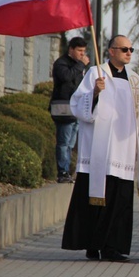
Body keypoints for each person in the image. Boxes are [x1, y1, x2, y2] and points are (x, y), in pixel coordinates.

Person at [61, 35, 139, 262]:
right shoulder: (96, 73)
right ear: (111, 51)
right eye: (124, 49)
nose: (129, 53)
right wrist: (93, 93)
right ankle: (92, 245)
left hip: (123, 149)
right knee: (93, 199)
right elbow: (77, 105)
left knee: (118, 203)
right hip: (99, 150)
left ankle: (112, 247)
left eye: (131, 49)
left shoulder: (134, 80)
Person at [50, 36, 89, 183]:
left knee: (71, 144)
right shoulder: (61, 63)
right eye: (79, 50)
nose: (82, 54)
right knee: (63, 142)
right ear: (71, 49)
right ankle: (62, 172)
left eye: (84, 51)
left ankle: (67, 171)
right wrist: (80, 66)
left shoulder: (78, 65)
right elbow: (67, 77)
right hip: (64, 108)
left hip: (77, 109)